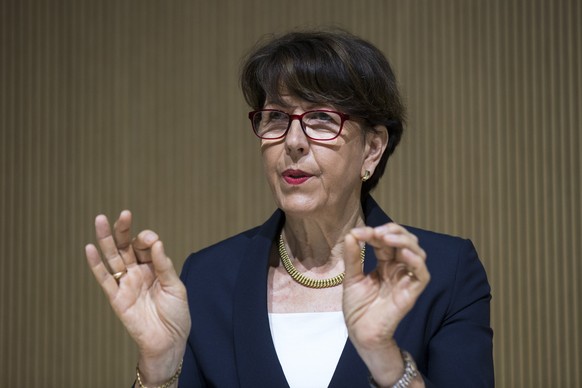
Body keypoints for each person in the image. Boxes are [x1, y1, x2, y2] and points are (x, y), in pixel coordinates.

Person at [85, 29, 494, 387]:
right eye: (277, 116)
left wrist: (385, 359)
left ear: (372, 148)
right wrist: (159, 368)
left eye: (319, 118)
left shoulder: (443, 271)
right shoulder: (208, 278)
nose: (293, 141)